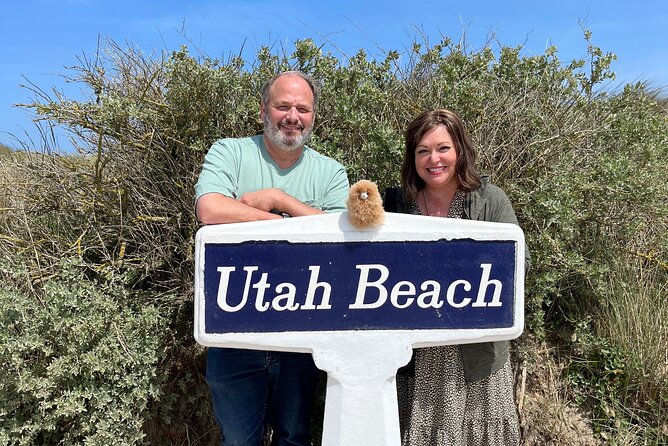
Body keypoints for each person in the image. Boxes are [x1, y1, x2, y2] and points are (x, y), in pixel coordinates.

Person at [194, 71, 350, 445]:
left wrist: (280, 200)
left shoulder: (331, 172)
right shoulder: (229, 151)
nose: (292, 116)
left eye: (302, 108)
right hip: (235, 333)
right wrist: (285, 221)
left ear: (313, 116)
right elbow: (210, 208)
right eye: (283, 105)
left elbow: (342, 233)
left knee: (293, 438)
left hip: (302, 336)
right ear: (264, 109)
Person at [387, 109, 530, 446]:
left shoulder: (489, 200)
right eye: (423, 151)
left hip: (476, 355)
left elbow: (517, 263)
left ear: (460, 150)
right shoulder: (396, 204)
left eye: (443, 148)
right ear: (412, 157)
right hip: (416, 359)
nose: (433, 159)